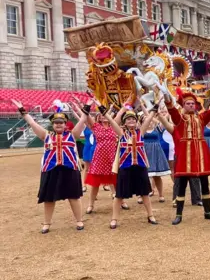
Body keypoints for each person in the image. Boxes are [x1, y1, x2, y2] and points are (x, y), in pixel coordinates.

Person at [12, 99, 88, 233]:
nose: (59, 125)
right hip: (51, 170)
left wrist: (87, 106)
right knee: (48, 197)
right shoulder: (46, 135)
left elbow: (82, 120)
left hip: (69, 169)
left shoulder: (72, 135)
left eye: (61, 123)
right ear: (52, 125)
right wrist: (22, 110)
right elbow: (32, 122)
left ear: (66, 124)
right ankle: (47, 223)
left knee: (74, 196)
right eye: (56, 123)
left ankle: (79, 220)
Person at [157, 89, 210, 225]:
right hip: (185, 155)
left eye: (193, 103)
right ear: (183, 105)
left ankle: (208, 212)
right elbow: (172, 110)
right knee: (182, 185)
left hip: (201, 155)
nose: (192, 105)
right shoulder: (179, 119)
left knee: (205, 183)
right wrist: (168, 97)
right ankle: (179, 215)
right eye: (188, 103)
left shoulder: (201, 118)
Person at [104, 106, 158, 229]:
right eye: (128, 119)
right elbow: (111, 121)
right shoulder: (121, 133)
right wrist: (102, 108)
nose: (131, 121)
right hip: (125, 167)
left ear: (137, 120)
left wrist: (155, 106)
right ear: (124, 122)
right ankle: (114, 219)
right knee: (119, 194)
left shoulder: (141, 132)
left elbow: (149, 118)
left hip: (140, 166)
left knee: (144, 193)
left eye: (133, 119)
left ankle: (150, 215)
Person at [84, 107, 129, 213]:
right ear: (99, 117)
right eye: (102, 115)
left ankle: (121, 201)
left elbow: (121, 111)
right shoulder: (95, 126)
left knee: (116, 181)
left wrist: (126, 104)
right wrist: (87, 105)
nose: (104, 116)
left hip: (112, 157)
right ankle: (91, 204)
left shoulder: (114, 125)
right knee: (95, 182)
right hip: (99, 157)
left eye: (106, 114)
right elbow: (87, 115)